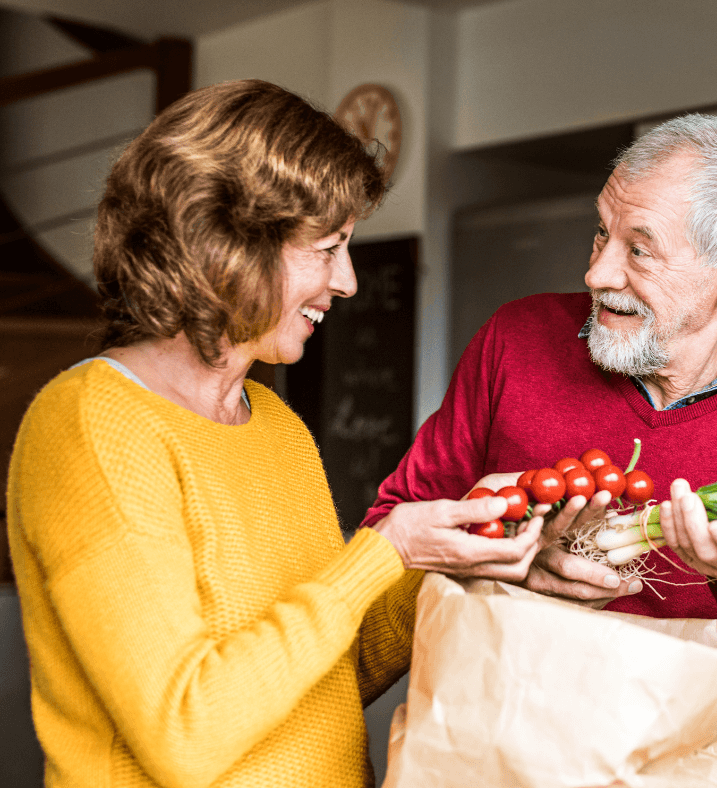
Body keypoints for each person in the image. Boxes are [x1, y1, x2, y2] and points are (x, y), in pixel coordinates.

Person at [4, 79, 549, 788]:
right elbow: (188, 733)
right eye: (328, 248)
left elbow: (323, 677)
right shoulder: (92, 424)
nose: (348, 281)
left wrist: (451, 561)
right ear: (227, 244)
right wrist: (382, 551)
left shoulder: (278, 426)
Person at [362, 114, 717, 764]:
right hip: (479, 760)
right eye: (600, 233)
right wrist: (507, 558)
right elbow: (390, 539)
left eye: (639, 250)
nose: (598, 273)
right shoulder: (516, 342)